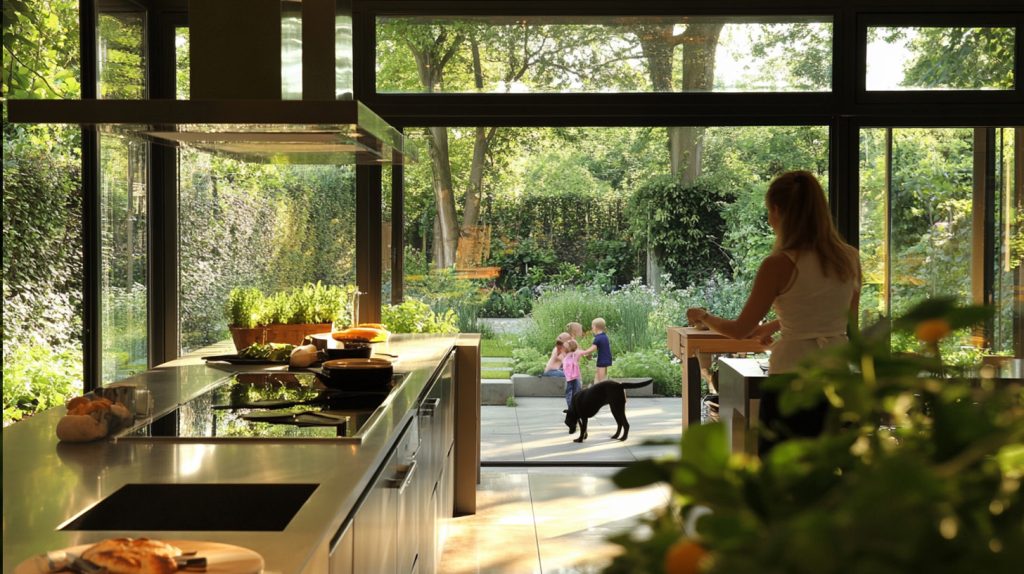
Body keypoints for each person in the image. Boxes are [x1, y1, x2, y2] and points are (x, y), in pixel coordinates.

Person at [685, 170, 861, 451]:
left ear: (777, 211)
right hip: (839, 375)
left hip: (791, 380)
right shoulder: (849, 257)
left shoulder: (779, 263)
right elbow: (844, 320)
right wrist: (776, 325)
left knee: (781, 475)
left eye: (769, 211)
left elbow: (740, 331)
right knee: (832, 474)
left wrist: (702, 316)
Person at [560, 339, 585, 409]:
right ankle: (572, 408)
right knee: (571, 392)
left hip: (574, 377)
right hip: (570, 377)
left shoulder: (575, 354)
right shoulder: (566, 354)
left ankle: (574, 408)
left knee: (574, 392)